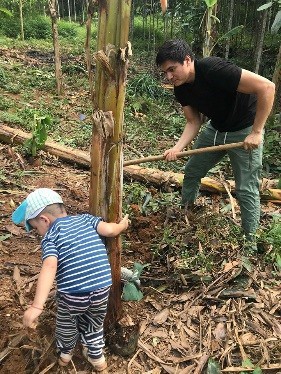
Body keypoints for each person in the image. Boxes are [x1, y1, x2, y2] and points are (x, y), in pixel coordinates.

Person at [156, 39, 275, 252]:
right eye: (165, 72)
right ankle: (186, 213)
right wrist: (178, 148)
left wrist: (257, 132)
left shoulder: (213, 69)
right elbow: (194, 121)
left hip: (245, 130)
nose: (169, 77)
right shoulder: (181, 88)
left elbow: (267, 87)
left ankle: (249, 244)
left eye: (172, 70)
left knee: (246, 189)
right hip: (216, 129)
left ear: (187, 60)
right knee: (192, 170)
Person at [11, 188, 129, 371]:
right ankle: (97, 358)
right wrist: (122, 226)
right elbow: (110, 230)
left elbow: (50, 266)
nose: (39, 233)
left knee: (66, 322)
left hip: (73, 294)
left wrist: (36, 306)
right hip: (102, 287)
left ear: (44, 220)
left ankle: (65, 353)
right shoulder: (86, 219)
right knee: (94, 323)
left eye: (36, 228)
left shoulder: (51, 236)